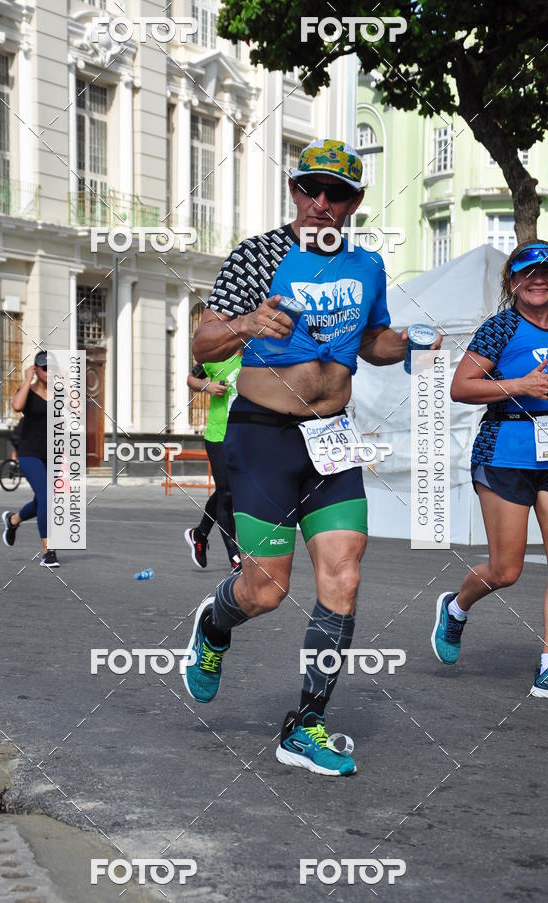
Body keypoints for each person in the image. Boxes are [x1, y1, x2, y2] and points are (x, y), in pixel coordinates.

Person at [182, 138, 441, 776]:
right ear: (295, 191)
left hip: (332, 435)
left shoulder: (368, 265)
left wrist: (407, 343)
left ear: (355, 203)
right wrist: (248, 324)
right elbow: (204, 339)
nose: (321, 203)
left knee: (345, 575)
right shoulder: (262, 254)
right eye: (310, 189)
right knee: (266, 591)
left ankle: (305, 725)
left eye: (338, 193)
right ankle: (215, 624)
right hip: (263, 434)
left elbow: (372, 339)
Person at [433, 240, 548, 697]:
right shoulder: (500, 328)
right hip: (505, 452)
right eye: (527, 272)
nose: (538, 279)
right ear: (513, 281)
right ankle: (457, 607)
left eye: (546, 271)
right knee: (506, 570)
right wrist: (521, 384)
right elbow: (461, 387)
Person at [184, 352, 242, 572]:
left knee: (228, 491)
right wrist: (207, 387)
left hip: (244, 438)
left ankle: (199, 533)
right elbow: (191, 379)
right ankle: (234, 556)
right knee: (227, 492)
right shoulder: (215, 358)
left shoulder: (257, 359)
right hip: (218, 436)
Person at [1, 350, 59, 568]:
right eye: (45, 368)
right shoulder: (29, 390)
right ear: (36, 370)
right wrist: (27, 380)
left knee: (43, 501)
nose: (49, 372)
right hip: (29, 453)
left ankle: (13, 520)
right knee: (46, 499)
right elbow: (16, 406)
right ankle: (49, 552)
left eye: (52, 368)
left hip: (52, 453)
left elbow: (77, 407)